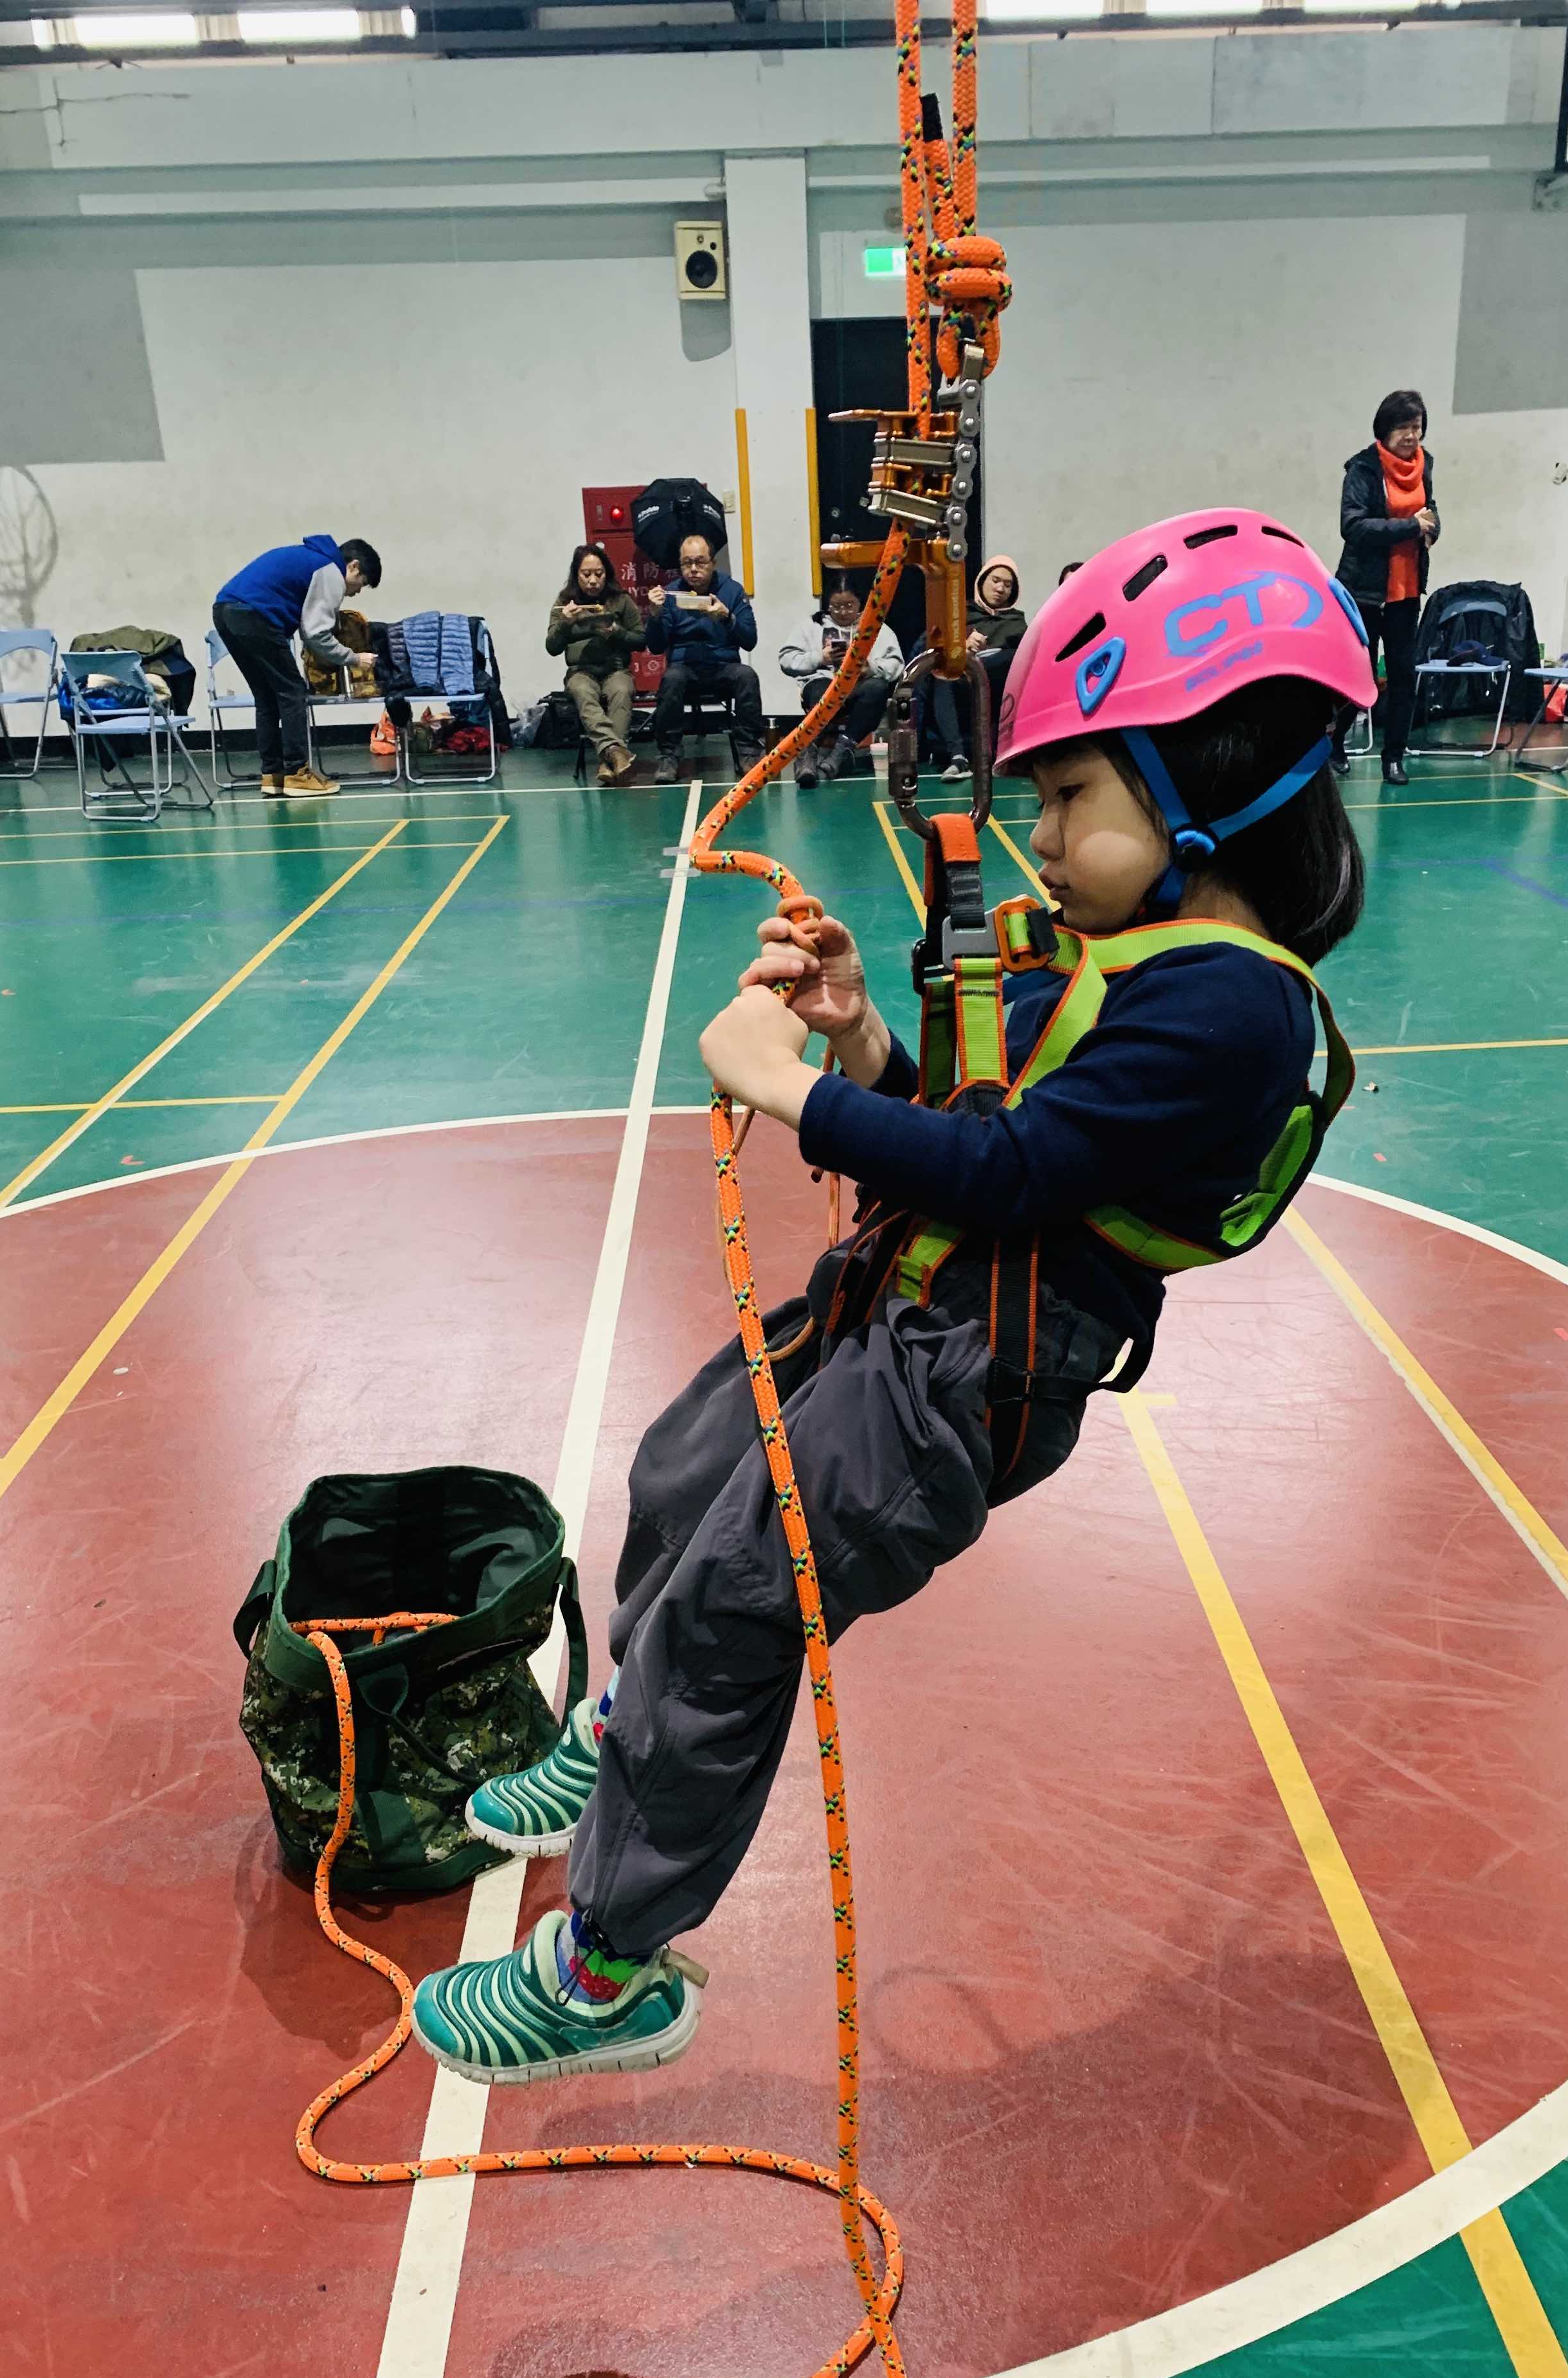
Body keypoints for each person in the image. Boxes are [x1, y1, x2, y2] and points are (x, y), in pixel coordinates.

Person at [407, 508, 1373, 2082]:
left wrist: (788, 1088)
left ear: (1209, 781)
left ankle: (606, 1970)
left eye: (1070, 796)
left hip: (963, 1386)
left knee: (735, 1618)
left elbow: (1010, 1176)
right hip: (901, 1315)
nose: (1042, 835)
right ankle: (622, 1727)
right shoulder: (1136, 957)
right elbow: (987, 1127)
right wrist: (860, 1039)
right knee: (685, 1470)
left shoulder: (1231, 1011)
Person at [212, 534, 381, 800]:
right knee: (293, 692)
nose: (357, 592)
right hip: (254, 615)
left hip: (225, 611)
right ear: (354, 566)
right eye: (362, 583)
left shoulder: (311, 558)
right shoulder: (330, 571)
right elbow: (316, 634)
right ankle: (297, 774)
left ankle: (273, 775)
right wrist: (354, 658)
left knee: (267, 696)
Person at [1335, 391, 1438, 786]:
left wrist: (1432, 529)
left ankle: (1394, 757)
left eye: (1417, 427)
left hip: (1406, 593)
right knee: (1358, 676)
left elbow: (1431, 510)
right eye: (1403, 428)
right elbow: (1353, 526)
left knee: (1403, 677)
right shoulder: (1363, 469)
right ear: (1385, 430)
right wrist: (1411, 527)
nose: (1412, 436)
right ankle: (1336, 743)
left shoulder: (1425, 464)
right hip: (1365, 591)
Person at [644, 533, 761, 785]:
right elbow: (655, 647)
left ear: (713, 563)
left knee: (747, 676)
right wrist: (655, 615)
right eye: (687, 563)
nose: (693, 569)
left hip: (723, 667)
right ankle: (668, 755)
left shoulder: (731, 590)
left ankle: (749, 752)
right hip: (685, 668)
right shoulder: (671, 594)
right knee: (672, 678)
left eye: (700, 562)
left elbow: (750, 640)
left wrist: (727, 618)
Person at [778, 582, 906, 788]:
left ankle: (841, 752)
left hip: (859, 688)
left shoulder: (876, 628)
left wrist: (870, 668)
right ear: (828, 605)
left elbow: (897, 665)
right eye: (836, 607)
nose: (843, 612)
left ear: (860, 604)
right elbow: (786, 659)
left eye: (849, 606)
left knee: (878, 688)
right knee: (821, 688)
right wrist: (821, 658)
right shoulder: (811, 626)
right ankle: (807, 755)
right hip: (822, 685)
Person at [922, 554, 1025, 780]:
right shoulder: (959, 614)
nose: (1001, 588)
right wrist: (962, 646)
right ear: (982, 581)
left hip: (998, 685)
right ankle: (958, 758)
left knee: (1012, 658)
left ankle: (1008, 753)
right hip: (963, 681)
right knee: (942, 677)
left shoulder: (1017, 622)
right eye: (995, 580)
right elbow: (931, 647)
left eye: (1008, 585)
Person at [547, 545, 644, 786]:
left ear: (606, 573)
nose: (593, 581)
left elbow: (642, 640)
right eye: (586, 574)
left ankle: (608, 762)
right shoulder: (565, 602)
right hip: (581, 671)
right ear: (576, 574)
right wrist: (565, 624)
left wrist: (617, 632)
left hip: (615, 669)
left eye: (598, 574)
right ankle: (615, 752)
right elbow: (552, 647)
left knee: (622, 691)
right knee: (582, 691)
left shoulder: (621, 600)